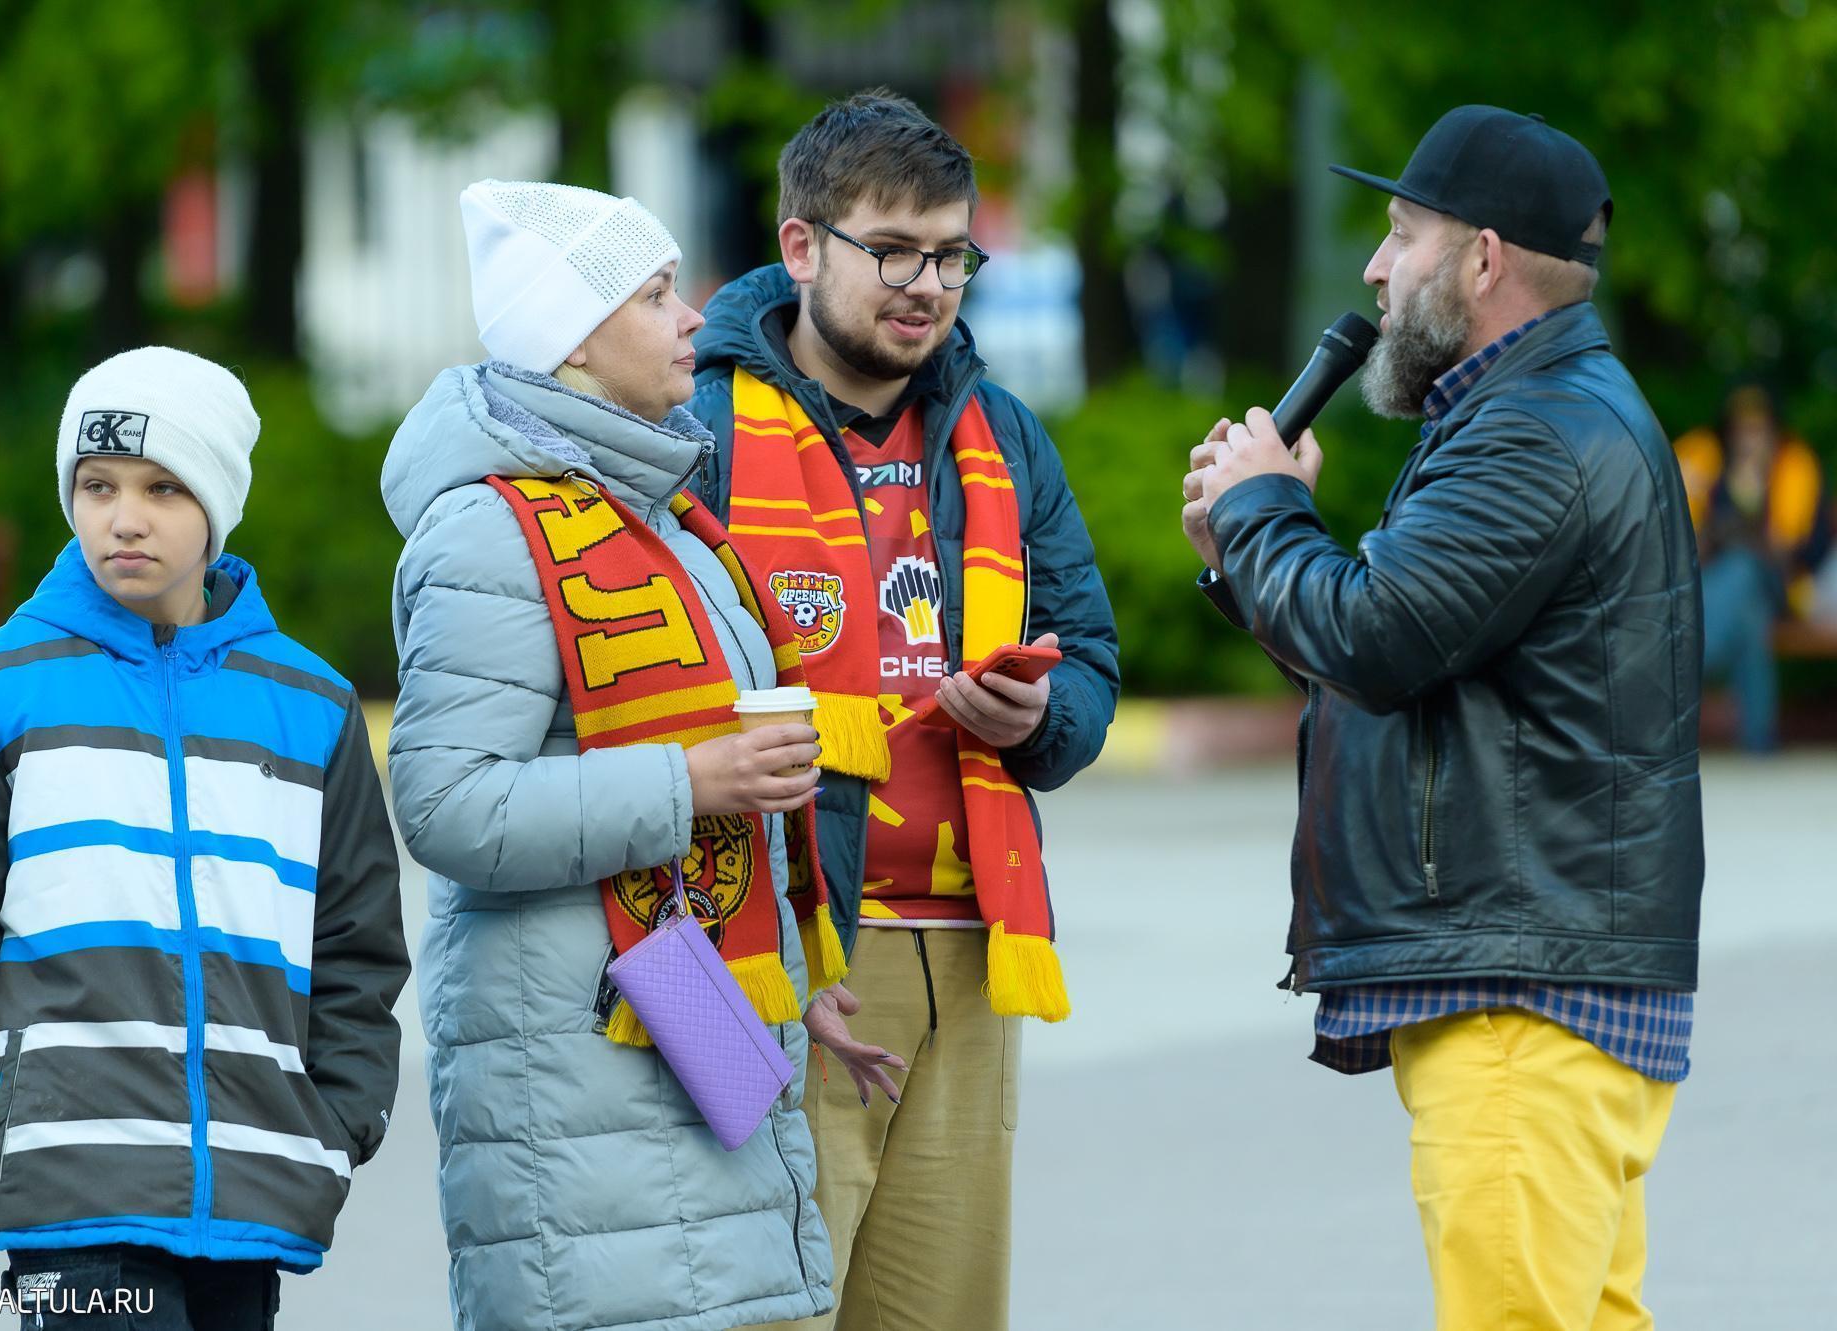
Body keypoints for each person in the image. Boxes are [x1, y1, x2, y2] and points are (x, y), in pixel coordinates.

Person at [1181, 106, 1702, 1330]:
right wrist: (1248, 545)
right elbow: (1399, 664)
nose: (1374, 267)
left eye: (1400, 233)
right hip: (1550, 983)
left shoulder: (1533, 432)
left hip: (1520, 1001)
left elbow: (1374, 638)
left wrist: (1264, 513)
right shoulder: (1540, 410)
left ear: (1480, 258)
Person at [0, 347, 410, 1329]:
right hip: (67, 1185)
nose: (125, 515)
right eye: (98, 485)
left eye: (163, 487)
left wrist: (335, 1124)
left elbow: (357, 944)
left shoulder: (311, 707)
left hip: (254, 1191)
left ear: (218, 502)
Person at [688, 91, 1120, 1331]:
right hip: (775, 954)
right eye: (890, 252)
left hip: (973, 956)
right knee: (761, 1310)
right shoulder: (698, 433)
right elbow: (640, 710)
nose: (925, 286)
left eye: (949, 255)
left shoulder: (1002, 433)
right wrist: (718, 994)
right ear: (800, 246)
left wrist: (1032, 720)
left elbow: (1089, 661)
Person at [380, 180, 837, 1331]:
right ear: (573, 337)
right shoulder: (490, 529)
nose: (693, 317)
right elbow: (444, 805)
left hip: (685, 1021)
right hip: (576, 1072)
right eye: (654, 294)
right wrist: (695, 782)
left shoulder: (661, 514)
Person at [1673, 383, 1830, 751]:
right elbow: (1686, 545)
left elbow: (1788, 555)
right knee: (1748, 615)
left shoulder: (1793, 465)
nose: (1749, 438)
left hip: (1783, 590)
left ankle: (1694, 656)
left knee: (1743, 568)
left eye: (1758, 428)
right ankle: (1759, 742)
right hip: (1726, 593)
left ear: (1774, 429)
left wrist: (1744, 507)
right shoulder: (1707, 460)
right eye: (1742, 428)